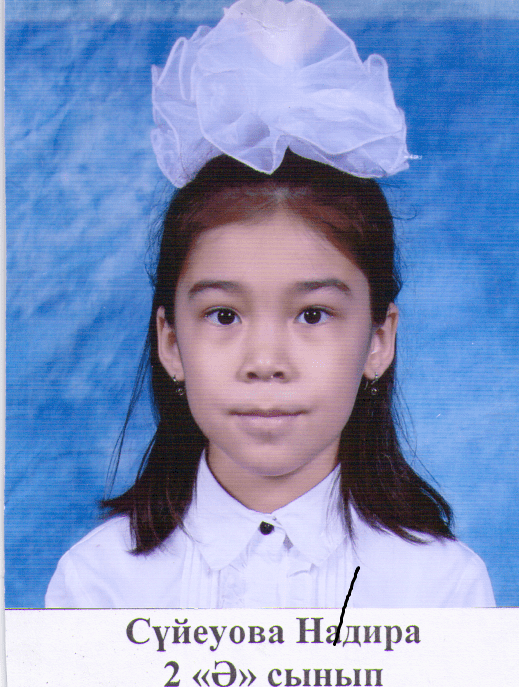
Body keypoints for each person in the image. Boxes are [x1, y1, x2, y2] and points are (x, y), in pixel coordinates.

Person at [45, 0, 494, 609]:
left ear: (378, 340)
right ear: (170, 342)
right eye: (224, 315)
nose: (265, 362)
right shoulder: (98, 583)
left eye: (312, 314)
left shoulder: (443, 587)